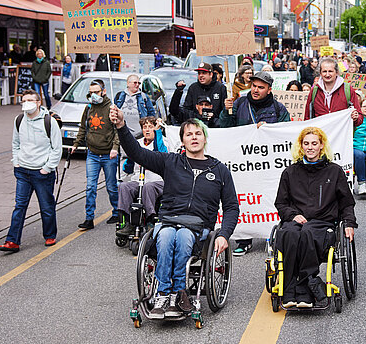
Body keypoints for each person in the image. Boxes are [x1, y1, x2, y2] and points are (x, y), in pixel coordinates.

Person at [110, 108, 239, 319]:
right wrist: (121, 126)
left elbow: (232, 206)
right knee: (169, 234)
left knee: (184, 235)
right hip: (169, 221)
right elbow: (136, 153)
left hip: (198, 227)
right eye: (189, 134)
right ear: (182, 141)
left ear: (205, 138)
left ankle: (178, 293)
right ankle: (163, 294)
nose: (194, 137)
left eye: (198, 133)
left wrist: (224, 234)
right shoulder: (171, 162)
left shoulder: (219, 170)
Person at [274, 127, 356, 308]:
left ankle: (303, 290)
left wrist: (349, 222)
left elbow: (346, 202)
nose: (310, 147)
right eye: (306, 144)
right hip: (296, 220)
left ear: (321, 146)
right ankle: (292, 290)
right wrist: (293, 215)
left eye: (314, 143)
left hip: (323, 222)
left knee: (308, 233)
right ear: (301, 147)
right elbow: (281, 203)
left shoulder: (334, 172)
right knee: (289, 233)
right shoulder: (290, 172)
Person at [217, 69, 290, 254]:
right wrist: (226, 112)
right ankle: (243, 239)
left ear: (269, 89)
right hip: (244, 163)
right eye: (254, 86)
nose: (256, 90)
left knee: (270, 197)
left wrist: (270, 130)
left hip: (267, 163)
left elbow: (286, 132)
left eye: (261, 87)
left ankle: (270, 234)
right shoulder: (239, 103)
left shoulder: (278, 108)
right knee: (244, 197)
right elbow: (224, 129)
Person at [0, 91, 63, 253]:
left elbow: (57, 149)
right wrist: (17, 161)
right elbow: (16, 143)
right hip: (23, 171)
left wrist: (47, 168)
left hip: (42, 173)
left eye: (30, 100)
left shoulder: (49, 122)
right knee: (19, 206)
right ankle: (12, 241)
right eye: (24, 101)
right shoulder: (19, 120)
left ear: (38, 102)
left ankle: (50, 235)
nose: (26, 103)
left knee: (46, 206)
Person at [72, 79, 120, 229]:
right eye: (90, 93)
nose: (93, 95)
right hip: (92, 154)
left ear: (103, 92)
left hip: (108, 154)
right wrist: (76, 144)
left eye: (96, 92)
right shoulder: (88, 108)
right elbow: (83, 127)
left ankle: (117, 212)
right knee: (90, 186)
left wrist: (115, 148)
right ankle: (89, 218)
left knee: (111, 186)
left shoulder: (111, 108)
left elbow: (118, 130)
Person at [116, 116, 169, 235]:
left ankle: (150, 220)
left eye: (150, 127)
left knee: (148, 187)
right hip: (138, 180)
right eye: (145, 127)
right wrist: (130, 160)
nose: (147, 130)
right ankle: (126, 222)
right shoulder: (138, 144)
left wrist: (158, 132)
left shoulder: (163, 141)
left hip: (157, 180)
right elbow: (127, 168)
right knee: (124, 187)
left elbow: (161, 153)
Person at [304, 57, 362, 123]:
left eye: (330, 71)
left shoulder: (347, 89)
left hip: (341, 132)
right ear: (320, 73)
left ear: (336, 72)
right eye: (324, 71)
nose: (327, 74)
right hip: (320, 132)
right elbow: (307, 117)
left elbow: (359, 118)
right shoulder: (314, 90)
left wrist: (356, 118)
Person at [176, 62, 227, 127]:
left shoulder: (220, 88)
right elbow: (187, 108)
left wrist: (214, 118)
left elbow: (224, 111)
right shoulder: (193, 88)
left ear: (211, 74)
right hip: (196, 125)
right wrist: (197, 117)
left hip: (215, 127)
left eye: (204, 73)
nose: (201, 76)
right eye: (199, 73)